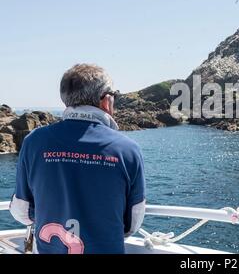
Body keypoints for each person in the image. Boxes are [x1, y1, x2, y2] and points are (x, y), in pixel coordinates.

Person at [9, 64, 146, 254]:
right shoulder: (128, 149)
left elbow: (21, 211)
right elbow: (132, 222)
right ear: (106, 100)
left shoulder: (34, 141)